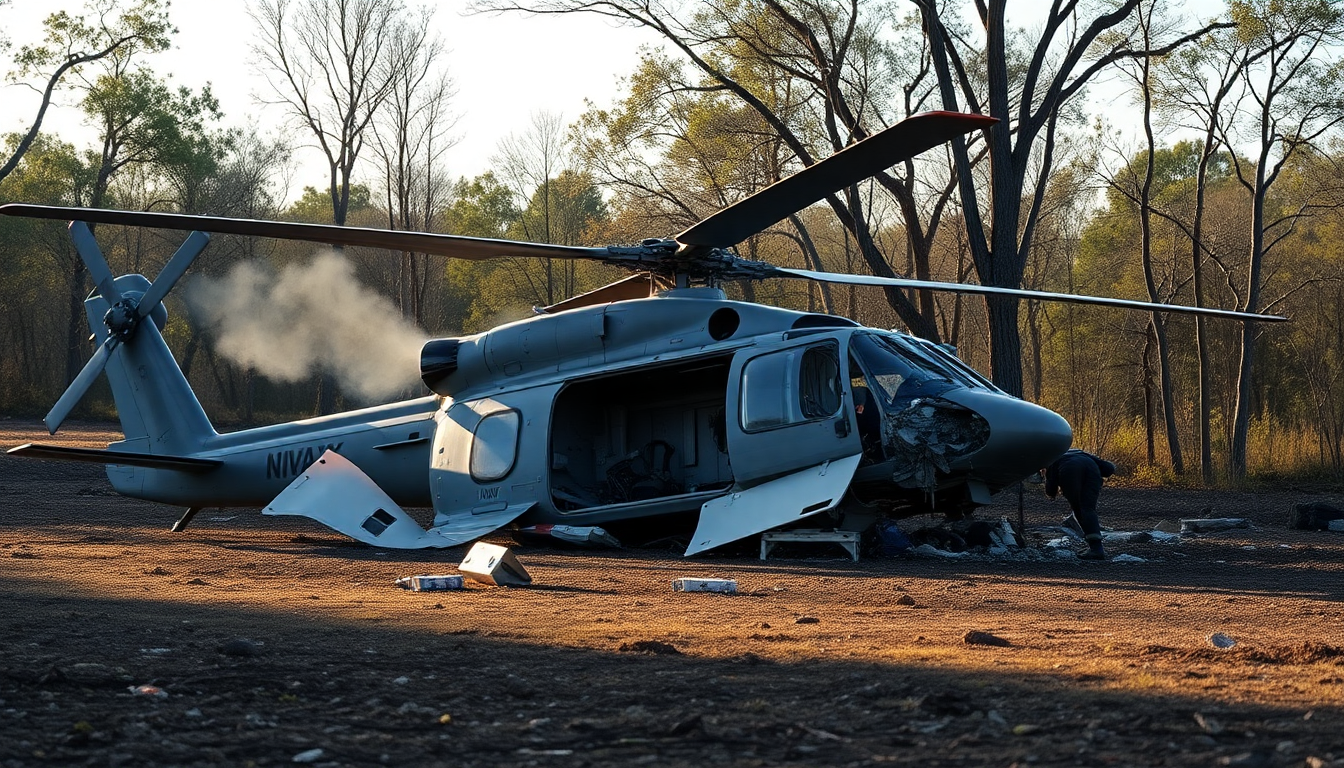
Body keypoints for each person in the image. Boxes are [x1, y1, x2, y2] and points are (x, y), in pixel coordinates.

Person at [1044, 449, 1117, 560]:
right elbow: (1109, 469)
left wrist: (1050, 489)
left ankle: (1096, 550)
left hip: (1068, 470)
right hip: (1092, 470)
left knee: (1080, 509)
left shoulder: (1052, 458)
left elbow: (1050, 490)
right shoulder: (1080, 452)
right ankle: (1096, 547)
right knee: (1088, 508)